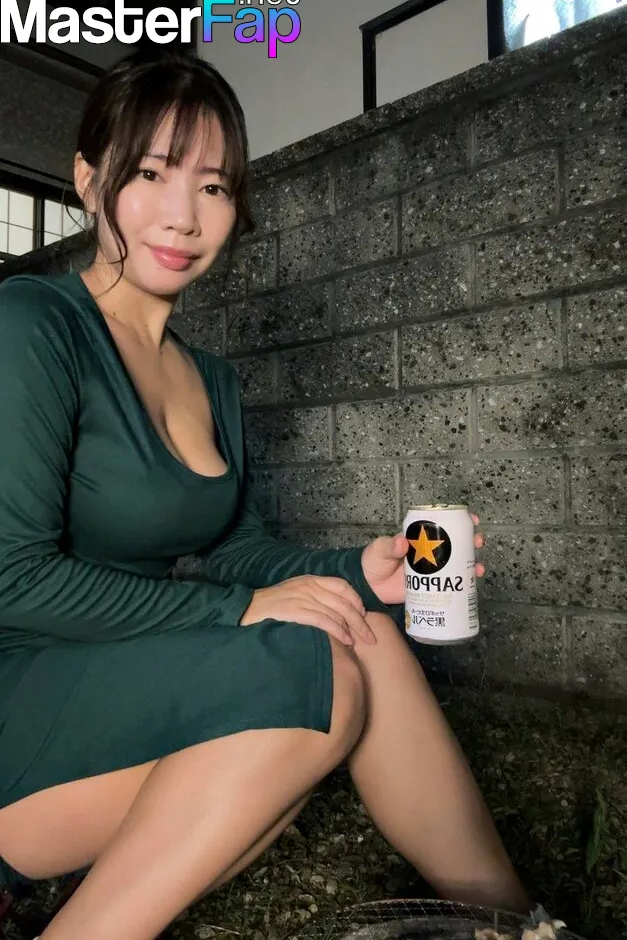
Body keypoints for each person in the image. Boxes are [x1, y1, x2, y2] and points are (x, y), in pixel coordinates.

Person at [0, 49, 537, 940]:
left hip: (133, 676)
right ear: (90, 182)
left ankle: (513, 923)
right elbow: (11, 578)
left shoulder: (210, 380)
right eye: (150, 173)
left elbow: (236, 550)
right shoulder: (33, 323)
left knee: (360, 636)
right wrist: (243, 610)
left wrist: (361, 572)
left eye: (212, 186)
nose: (183, 215)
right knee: (312, 671)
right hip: (25, 696)